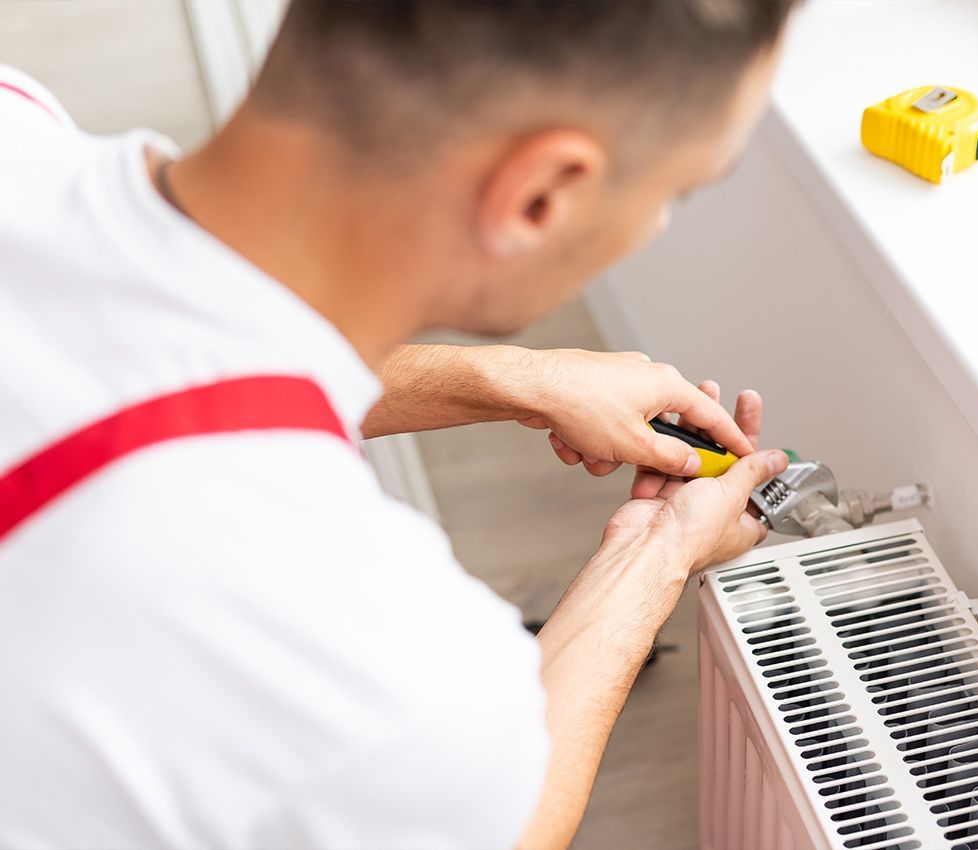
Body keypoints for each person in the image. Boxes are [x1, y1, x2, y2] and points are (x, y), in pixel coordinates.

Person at [0, 1, 799, 847]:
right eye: (675, 190)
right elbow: (509, 823)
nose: (658, 222)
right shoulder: (362, 652)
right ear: (540, 196)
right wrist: (659, 552)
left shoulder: (20, 124)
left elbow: (152, 366)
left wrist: (508, 378)